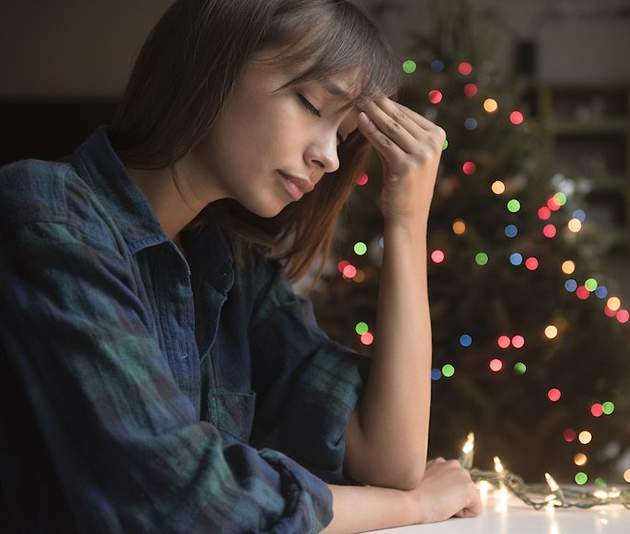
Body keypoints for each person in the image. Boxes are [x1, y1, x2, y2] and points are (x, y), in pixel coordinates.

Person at [0, 0, 482, 532]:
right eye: (311, 103)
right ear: (213, 61)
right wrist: (414, 508)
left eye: (343, 135)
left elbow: (389, 459)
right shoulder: (47, 215)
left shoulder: (231, 265)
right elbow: (179, 495)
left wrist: (407, 225)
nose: (331, 157)